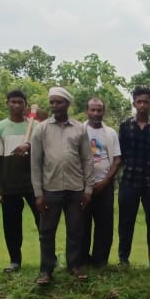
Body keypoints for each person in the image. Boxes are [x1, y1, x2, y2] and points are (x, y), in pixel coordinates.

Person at [30, 86, 95, 285]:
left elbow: (87, 160)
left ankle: (74, 265)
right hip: (50, 188)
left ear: (67, 104)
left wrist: (88, 189)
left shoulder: (80, 128)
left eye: (59, 102)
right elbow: (35, 162)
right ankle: (46, 270)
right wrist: (38, 193)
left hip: (75, 189)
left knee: (75, 230)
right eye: (52, 102)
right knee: (47, 232)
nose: (54, 106)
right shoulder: (41, 129)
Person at [0, 89, 40, 273]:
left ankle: (48, 259)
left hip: (33, 183)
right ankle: (15, 261)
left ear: (25, 105)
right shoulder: (0, 127)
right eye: (13, 102)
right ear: (7, 104)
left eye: (20, 102)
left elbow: (43, 149)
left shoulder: (34, 126)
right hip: (9, 183)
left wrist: (30, 145)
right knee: (11, 224)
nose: (17, 105)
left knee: (42, 221)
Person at [117, 86, 150, 267]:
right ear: (134, 104)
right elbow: (120, 154)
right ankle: (123, 259)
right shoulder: (125, 126)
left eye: (146, 102)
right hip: (129, 180)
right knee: (125, 222)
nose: (143, 105)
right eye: (139, 102)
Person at [79, 97, 121, 269]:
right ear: (87, 111)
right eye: (92, 110)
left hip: (105, 186)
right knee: (81, 224)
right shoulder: (78, 131)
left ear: (104, 112)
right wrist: (85, 184)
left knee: (104, 225)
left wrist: (105, 182)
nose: (96, 113)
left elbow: (117, 160)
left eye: (99, 110)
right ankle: (82, 260)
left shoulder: (110, 133)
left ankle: (100, 261)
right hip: (82, 187)